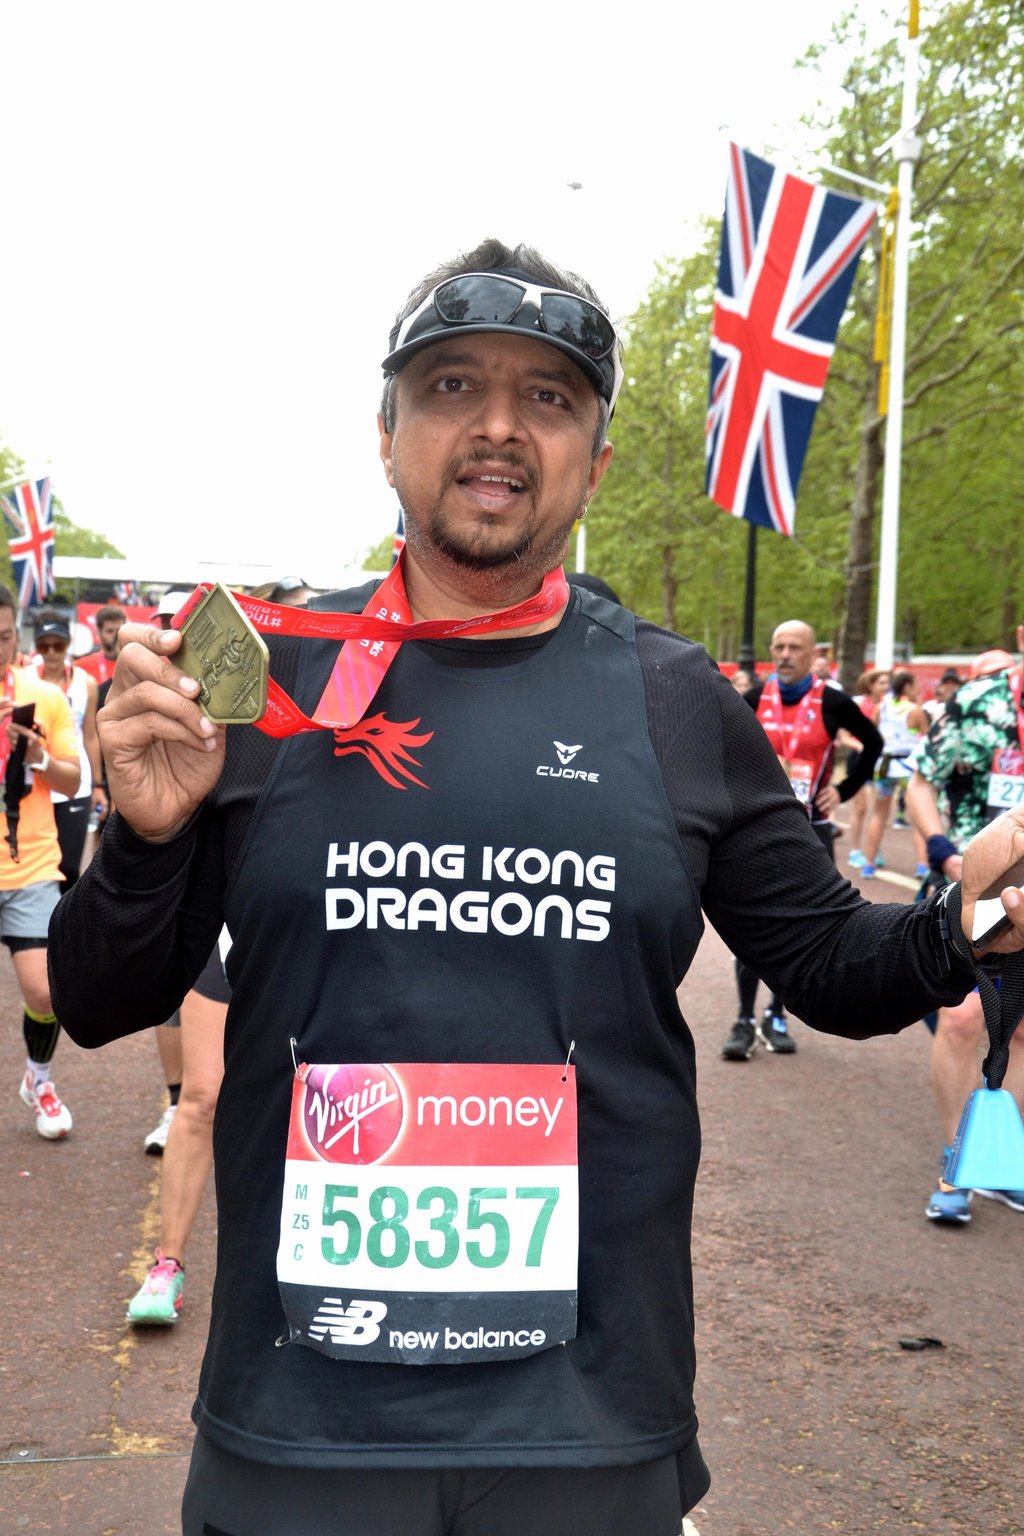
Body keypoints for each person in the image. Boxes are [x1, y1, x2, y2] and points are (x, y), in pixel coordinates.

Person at [48, 239, 1024, 1536]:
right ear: (385, 434)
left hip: (586, 1413)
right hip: (302, 1419)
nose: (499, 425)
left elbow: (836, 972)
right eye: (452, 386)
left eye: (550, 397)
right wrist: (145, 841)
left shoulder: (674, 697)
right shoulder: (266, 678)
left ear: (596, 462)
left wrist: (984, 914)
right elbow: (105, 998)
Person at [721, 619, 883, 1059]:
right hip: (754, 830)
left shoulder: (832, 702)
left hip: (810, 827)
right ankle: (743, 1018)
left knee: (804, 930)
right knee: (749, 926)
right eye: (778, 647)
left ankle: (777, 1015)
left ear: (814, 655)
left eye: (795, 647)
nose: (785, 655)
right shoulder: (753, 698)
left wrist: (844, 792)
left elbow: (873, 743)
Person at [906, 636, 1024, 1224]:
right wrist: (941, 849)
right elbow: (920, 781)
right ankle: (956, 1160)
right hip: (981, 890)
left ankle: (996, 1163)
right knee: (959, 1016)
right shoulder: (978, 701)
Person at [0, 586, 82, 1138]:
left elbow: (73, 779)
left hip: (29, 865)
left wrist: (38, 756)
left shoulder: (43, 696)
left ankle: (40, 1078)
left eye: (4, 637)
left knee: (45, 992)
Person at [128, 940, 230, 1324]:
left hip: (331, 926)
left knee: (314, 1091)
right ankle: (168, 1265)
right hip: (232, 929)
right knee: (203, 1096)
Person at [32, 613, 107, 886]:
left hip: (76, 782)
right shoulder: (27, 678)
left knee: (68, 868)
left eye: (58, 646)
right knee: (35, 865)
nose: (51, 653)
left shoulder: (85, 683)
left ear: (68, 645)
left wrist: (98, 785)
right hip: (36, 782)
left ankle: (60, 926)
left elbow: (90, 737)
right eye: (44, 646)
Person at [858, 669, 929, 881]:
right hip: (907, 768)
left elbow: (870, 732)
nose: (918, 689)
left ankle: (868, 864)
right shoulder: (915, 710)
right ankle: (922, 865)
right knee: (917, 817)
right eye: (915, 684)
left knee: (878, 814)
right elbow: (926, 737)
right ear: (907, 686)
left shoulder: (882, 707)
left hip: (885, 766)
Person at [844, 667, 889, 870]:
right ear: (871, 685)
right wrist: (861, 745)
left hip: (882, 760)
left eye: (888, 683)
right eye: (881, 683)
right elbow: (844, 736)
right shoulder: (858, 704)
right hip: (859, 759)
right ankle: (854, 851)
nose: (886, 686)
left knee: (879, 809)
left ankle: (874, 848)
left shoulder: (891, 706)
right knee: (860, 807)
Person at [75, 603, 127, 688]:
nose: (116, 635)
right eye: (110, 631)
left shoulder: (134, 666)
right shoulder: (81, 667)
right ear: (98, 633)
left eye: (119, 630)